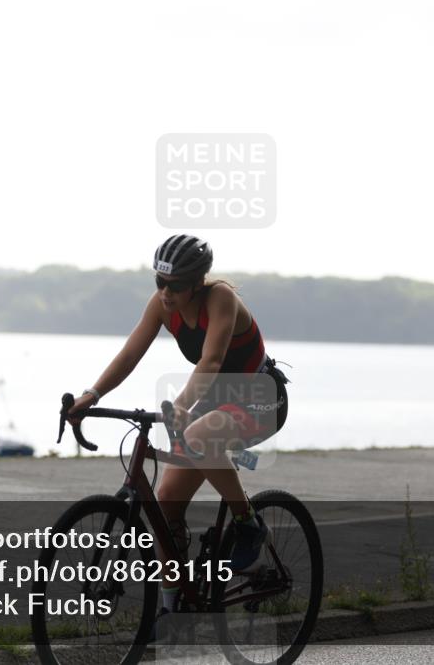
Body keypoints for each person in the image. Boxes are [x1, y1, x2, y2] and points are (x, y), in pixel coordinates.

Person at [66, 234, 289, 638]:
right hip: (214, 402)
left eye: (176, 286)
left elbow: (213, 359)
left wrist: (182, 405)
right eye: (159, 283)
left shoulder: (220, 299)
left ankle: (248, 523)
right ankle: (174, 613)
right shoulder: (162, 306)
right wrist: (92, 394)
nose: (166, 294)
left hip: (259, 399)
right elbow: (131, 354)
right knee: (166, 500)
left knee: (201, 433)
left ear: (197, 282)